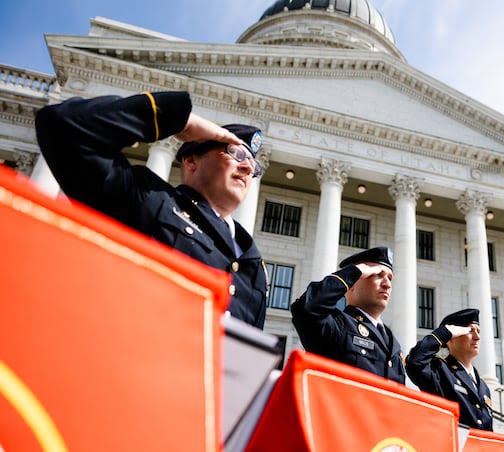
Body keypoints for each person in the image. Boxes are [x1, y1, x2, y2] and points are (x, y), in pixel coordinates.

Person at [35, 91, 268, 328]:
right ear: (191, 161)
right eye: (235, 153)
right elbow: (63, 125)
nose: (247, 168)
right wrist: (178, 119)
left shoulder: (252, 260)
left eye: (253, 165)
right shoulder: (150, 198)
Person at [290, 247, 405, 384]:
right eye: (378, 275)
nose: (387, 285)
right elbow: (307, 308)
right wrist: (356, 271)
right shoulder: (338, 326)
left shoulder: (394, 345)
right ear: (352, 284)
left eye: (390, 278)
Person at [405, 308, 493, 430]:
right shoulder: (439, 371)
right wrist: (443, 333)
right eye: (470, 331)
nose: (477, 337)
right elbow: (414, 362)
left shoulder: (483, 386)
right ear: (452, 337)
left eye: (478, 331)